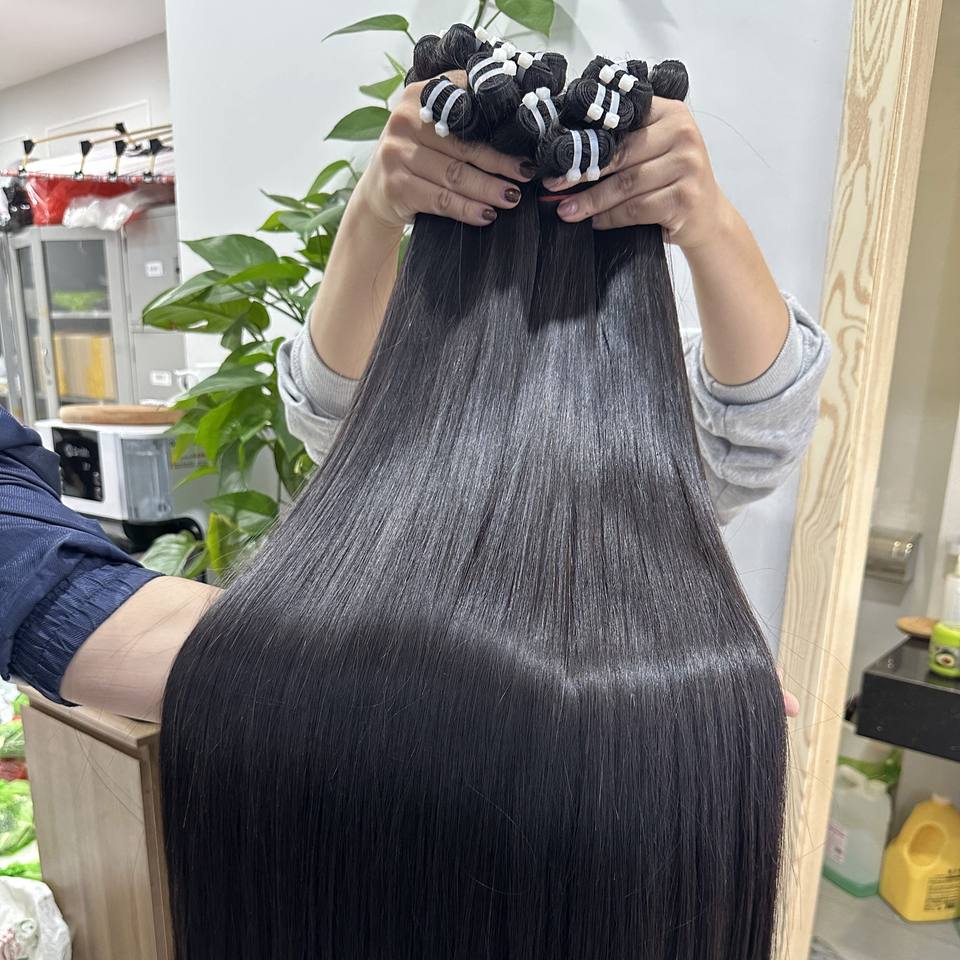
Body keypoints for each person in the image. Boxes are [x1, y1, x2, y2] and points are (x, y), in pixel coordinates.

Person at [0, 79, 825, 722]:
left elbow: (760, 421)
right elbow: (327, 402)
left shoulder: (651, 440)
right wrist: (373, 209)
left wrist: (708, 220)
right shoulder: (405, 436)